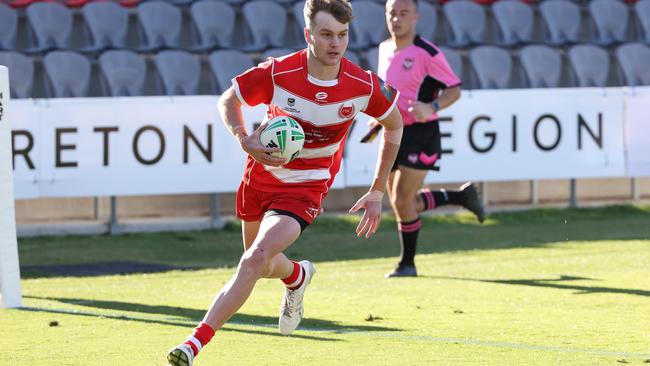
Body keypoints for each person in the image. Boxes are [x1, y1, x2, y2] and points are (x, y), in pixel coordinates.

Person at [166, 0, 403, 364]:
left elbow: (394, 124)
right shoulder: (278, 73)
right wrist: (245, 139)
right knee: (260, 264)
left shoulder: (361, 84)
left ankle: (193, 344)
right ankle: (296, 276)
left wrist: (376, 190)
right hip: (259, 177)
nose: (335, 44)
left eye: (342, 35)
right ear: (308, 34)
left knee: (254, 259)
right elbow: (229, 100)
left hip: (306, 187)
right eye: (326, 35)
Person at [372, 0, 485, 278]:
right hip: (392, 132)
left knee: (401, 199)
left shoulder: (427, 53)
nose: (397, 19)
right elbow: (388, 91)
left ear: (416, 17)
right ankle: (460, 196)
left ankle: (407, 264)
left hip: (422, 133)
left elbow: (454, 90)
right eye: (392, 14)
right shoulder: (384, 48)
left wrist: (431, 107)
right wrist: (378, 119)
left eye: (403, 13)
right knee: (400, 201)